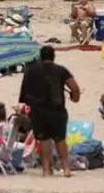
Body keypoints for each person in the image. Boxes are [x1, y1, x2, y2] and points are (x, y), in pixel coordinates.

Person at [20, 46, 81, 177]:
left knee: (44, 139)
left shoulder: (31, 71)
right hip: (57, 110)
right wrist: (75, 98)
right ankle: (66, 168)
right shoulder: (61, 70)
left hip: (39, 111)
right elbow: (74, 87)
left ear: (41, 57)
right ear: (53, 56)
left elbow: (25, 94)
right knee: (60, 139)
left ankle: (46, 170)